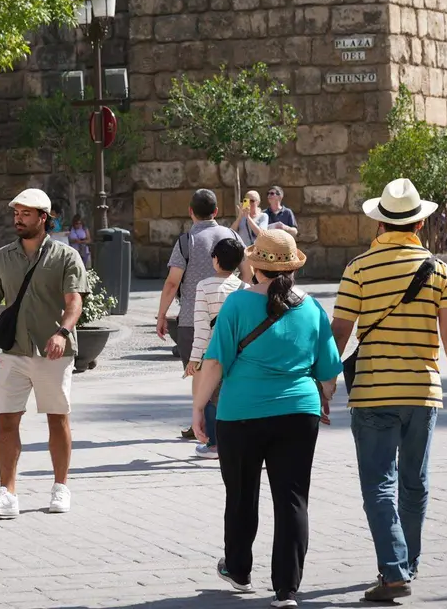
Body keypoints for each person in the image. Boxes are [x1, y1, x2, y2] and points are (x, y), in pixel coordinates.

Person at [330, 178, 447, 603]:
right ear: (420, 222)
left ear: (379, 223)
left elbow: (339, 332)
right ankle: (405, 564)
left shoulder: (358, 269)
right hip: (422, 392)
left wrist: (324, 384)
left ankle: (394, 571)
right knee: (415, 482)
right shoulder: (440, 270)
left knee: (378, 483)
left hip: (373, 392)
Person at [193, 229, 341, 608]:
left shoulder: (237, 306)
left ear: (254, 265)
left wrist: (198, 408)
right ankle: (286, 589)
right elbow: (328, 374)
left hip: (241, 414)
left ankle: (239, 568)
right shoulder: (311, 308)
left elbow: (214, 363)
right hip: (297, 413)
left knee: (241, 494)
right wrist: (322, 398)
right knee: (292, 500)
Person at [0, 188, 86, 517]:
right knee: (6, 420)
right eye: (16, 214)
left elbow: (74, 301)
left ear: (43, 218)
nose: (18, 219)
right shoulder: (3, 257)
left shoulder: (65, 256)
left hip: (53, 352)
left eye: (26, 214)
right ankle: (7, 493)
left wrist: (63, 333)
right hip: (13, 352)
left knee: (57, 419)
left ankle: (61, 487)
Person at [156, 188, 237, 440]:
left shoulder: (185, 241)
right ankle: (227, 421)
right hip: (231, 316)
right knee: (228, 372)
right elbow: (247, 272)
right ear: (216, 212)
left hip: (192, 319)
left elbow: (172, 283)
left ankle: (199, 422)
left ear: (190, 212)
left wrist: (161, 315)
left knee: (199, 372)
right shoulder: (232, 234)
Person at [186, 236, 245, 460]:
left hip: (212, 351)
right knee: (232, 395)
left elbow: (201, 327)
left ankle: (213, 445)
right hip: (238, 352)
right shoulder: (244, 288)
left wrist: (194, 359)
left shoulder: (204, 286)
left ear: (216, 260)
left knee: (210, 396)